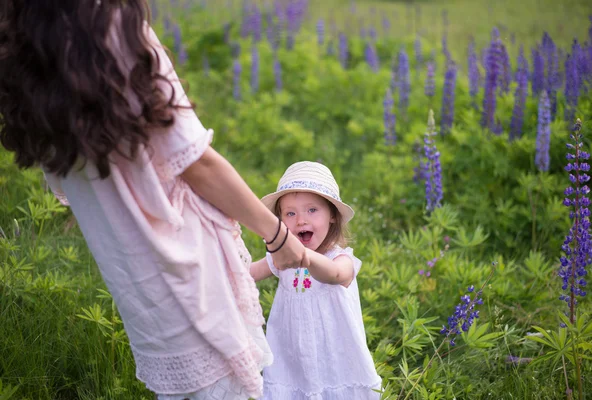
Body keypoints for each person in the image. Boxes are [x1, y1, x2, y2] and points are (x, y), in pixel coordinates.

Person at [0, 1, 308, 399]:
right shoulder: (109, 25)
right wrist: (278, 236)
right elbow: (198, 164)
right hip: (190, 276)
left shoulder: (25, 41)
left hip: (137, 289)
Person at [250, 161, 382, 399]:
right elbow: (248, 274)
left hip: (334, 354)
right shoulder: (282, 258)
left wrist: (302, 256)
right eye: (290, 213)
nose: (300, 221)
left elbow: (334, 275)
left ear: (332, 215)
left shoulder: (341, 259)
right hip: (292, 354)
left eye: (312, 210)